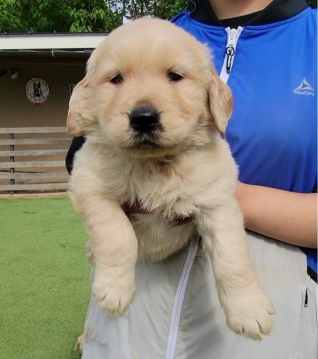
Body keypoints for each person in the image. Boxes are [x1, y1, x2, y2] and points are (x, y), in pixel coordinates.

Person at [66, 0, 317, 358]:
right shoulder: (145, 34)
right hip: (133, 317)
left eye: (174, 75)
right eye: (117, 78)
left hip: (266, 328)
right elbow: (83, 166)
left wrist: (216, 196)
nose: (143, 107)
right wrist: (114, 246)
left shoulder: (312, 40)